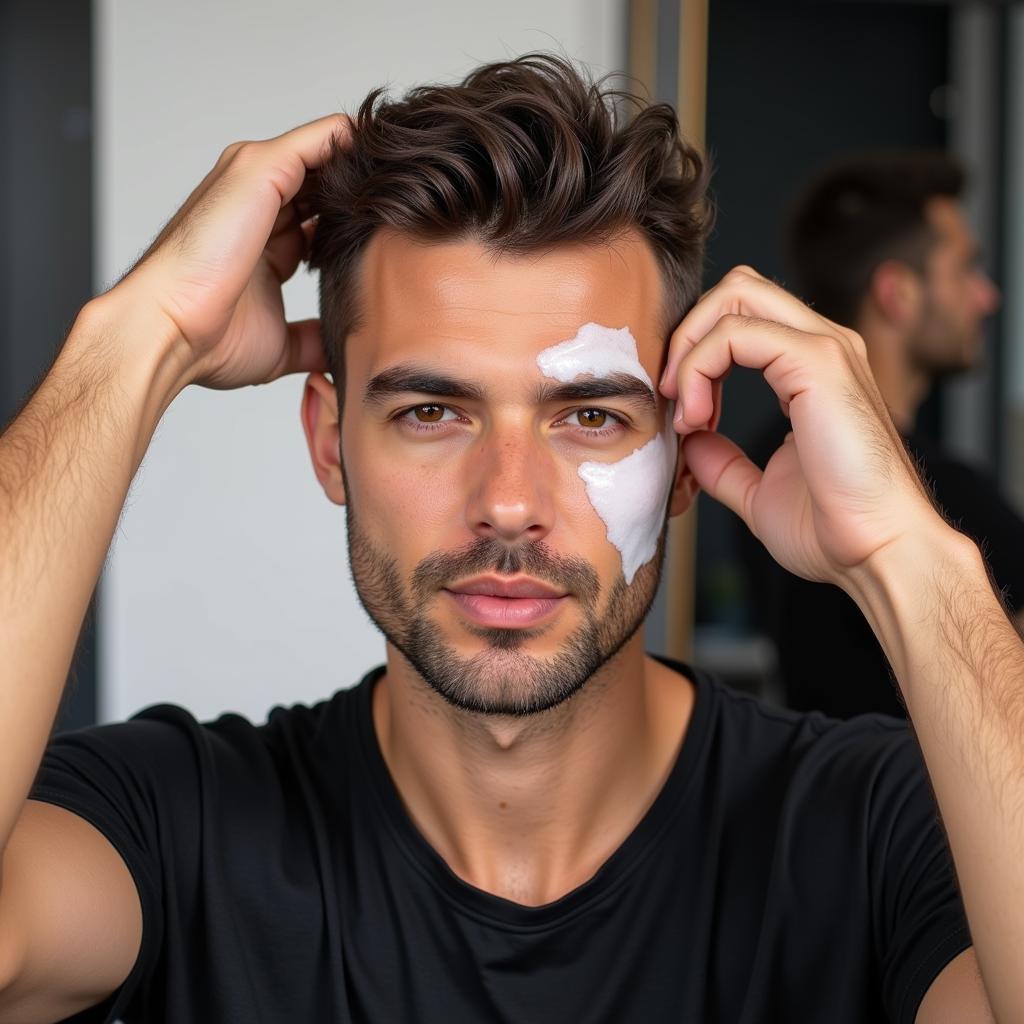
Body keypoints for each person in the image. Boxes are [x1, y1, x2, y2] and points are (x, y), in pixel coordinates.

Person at [0, 54, 1018, 1023]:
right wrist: (140, 335)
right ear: (329, 444)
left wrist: (907, 558)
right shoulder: (178, 824)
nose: (508, 503)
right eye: (432, 413)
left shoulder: (874, 826)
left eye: (589, 418)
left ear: (679, 455)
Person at [741, 150, 1024, 720]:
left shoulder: (768, 457)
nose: (986, 297)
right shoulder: (946, 494)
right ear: (897, 292)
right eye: (965, 268)